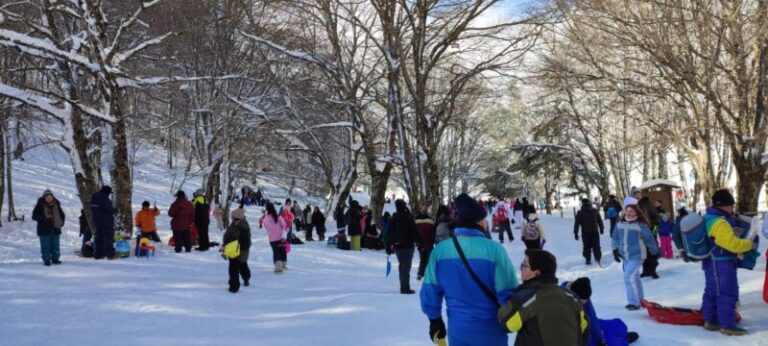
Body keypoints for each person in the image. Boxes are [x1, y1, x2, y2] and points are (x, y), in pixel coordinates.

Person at [421, 193, 518, 346]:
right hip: (492, 333)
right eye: (485, 219)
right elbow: (508, 293)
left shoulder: (440, 251)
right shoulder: (495, 250)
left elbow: (429, 290)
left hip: (458, 332)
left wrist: (434, 320)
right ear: (479, 222)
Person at [498, 249, 588, 346]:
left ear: (536, 273)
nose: (521, 268)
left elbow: (507, 323)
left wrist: (510, 298)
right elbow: (584, 329)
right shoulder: (572, 298)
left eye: (524, 265)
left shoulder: (527, 298)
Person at [700, 189, 755, 336]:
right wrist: (748, 245)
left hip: (712, 262)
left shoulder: (708, 217)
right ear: (723, 205)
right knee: (727, 293)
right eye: (731, 205)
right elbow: (731, 244)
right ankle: (727, 325)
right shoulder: (720, 223)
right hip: (721, 264)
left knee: (712, 291)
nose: (732, 208)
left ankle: (710, 320)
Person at [562, 277, 640, 345]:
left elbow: (592, 318)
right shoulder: (560, 298)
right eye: (582, 301)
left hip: (585, 325)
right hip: (572, 335)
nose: (585, 303)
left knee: (605, 327)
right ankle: (622, 341)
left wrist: (600, 339)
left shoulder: (581, 294)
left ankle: (621, 335)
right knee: (605, 341)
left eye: (586, 300)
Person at [611, 203, 659, 310]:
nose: (629, 213)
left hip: (637, 255)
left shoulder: (640, 225)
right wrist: (615, 250)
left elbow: (649, 239)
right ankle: (641, 299)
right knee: (635, 278)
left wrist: (654, 252)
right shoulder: (619, 224)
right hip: (625, 256)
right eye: (627, 211)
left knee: (628, 276)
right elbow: (615, 238)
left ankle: (633, 302)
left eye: (631, 211)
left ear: (636, 212)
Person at [386, 199, 418, 294]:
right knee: (405, 267)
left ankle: (404, 286)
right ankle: (405, 288)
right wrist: (420, 242)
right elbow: (414, 231)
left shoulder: (393, 218)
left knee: (402, 266)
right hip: (408, 246)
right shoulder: (408, 218)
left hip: (398, 246)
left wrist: (388, 246)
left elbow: (389, 233)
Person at [630, 187, 661, 278]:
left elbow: (656, 217)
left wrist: (655, 230)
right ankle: (646, 270)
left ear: (641, 194)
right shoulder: (632, 206)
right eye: (635, 194)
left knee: (652, 252)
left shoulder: (647, 203)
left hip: (650, 231)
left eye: (638, 193)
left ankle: (653, 271)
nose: (637, 196)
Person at [32, 189, 65, 266]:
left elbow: (62, 214)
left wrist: (61, 223)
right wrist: (45, 217)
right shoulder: (40, 205)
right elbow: (34, 216)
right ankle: (46, 259)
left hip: (56, 228)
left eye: (50, 196)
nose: (49, 198)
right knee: (45, 245)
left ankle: (55, 259)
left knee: (55, 245)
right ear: (44, 197)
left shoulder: (57, 204)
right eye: (47, 197)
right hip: (44, 229)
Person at [222, 208, 251, 293]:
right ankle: (246, 278)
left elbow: (229, 236)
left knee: (233, 268)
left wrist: (226, 245)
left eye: (232, 217)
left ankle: (234, 286)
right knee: (243, 265)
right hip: (243, 250)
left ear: (236, 217)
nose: (232, 218)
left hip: (235, 249)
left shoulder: (236, 226)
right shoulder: (243, 224)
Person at [574, 198, 605, 265]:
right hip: (594, 231)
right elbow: (600, 220)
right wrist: (601, 228)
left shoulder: (580, 212)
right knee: (596, 246)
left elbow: (577, 223)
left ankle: (588, 259)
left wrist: (575, 233)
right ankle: (597, 258)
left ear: (582, 203)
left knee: (586, 246)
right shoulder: (594, 210)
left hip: (585, 232)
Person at [90, 185, 115, 260]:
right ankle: (109, 254)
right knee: (108, 238)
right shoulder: (105, 198)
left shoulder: (93, 198)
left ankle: (98, 254)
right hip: (106, 221)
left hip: (96, 221)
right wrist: (115, 210)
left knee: (98, 237)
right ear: (107, 192)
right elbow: (110, 210)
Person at [262, 203, 288, 273]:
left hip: (272, 239)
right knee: (282, 251)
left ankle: (278, 266)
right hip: (281, 238)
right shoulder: (278, 217)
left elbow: (266, 228)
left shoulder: (265, 219)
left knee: (276, 252)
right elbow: (284, 226)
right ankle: (283, 264)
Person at [414, 204, 436, 280]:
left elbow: (415, 234)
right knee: (430, 259)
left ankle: (420, 273)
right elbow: (433, 234)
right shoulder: (430, 223)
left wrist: (417, 242)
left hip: (420, 244)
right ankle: (430, 274)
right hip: (429, 243)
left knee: (422, 260)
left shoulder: (416, 224)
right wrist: (433, 241)